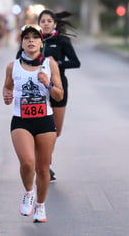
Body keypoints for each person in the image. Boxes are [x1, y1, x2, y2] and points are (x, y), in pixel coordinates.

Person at [2, 24, 63, 223]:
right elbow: (7, 88)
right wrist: (7, 96)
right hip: (21, 121)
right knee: (28, 163)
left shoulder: (49, 64)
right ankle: (29, 193)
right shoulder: (13, 66)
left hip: (45, 120)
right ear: (21, 42)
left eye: (35, 37)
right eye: (26, 37)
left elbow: (59, 94)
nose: (30, 41)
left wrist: (48, 84)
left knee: (43, 169)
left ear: (41, 42)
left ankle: (41, 206)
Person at [38, 10, 81, 181]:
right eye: (43, 21)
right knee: (42, 129)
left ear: (55, 24)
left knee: (56, 130)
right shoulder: (33, 39)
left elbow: (76, 62)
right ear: (38, 23)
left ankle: (44, 161)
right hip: (38, 89)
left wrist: (58, 63)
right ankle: (45, 165)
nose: (46, 23)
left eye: (49, 21)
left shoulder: (62, 41)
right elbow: (20, 57)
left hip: (59, 87)